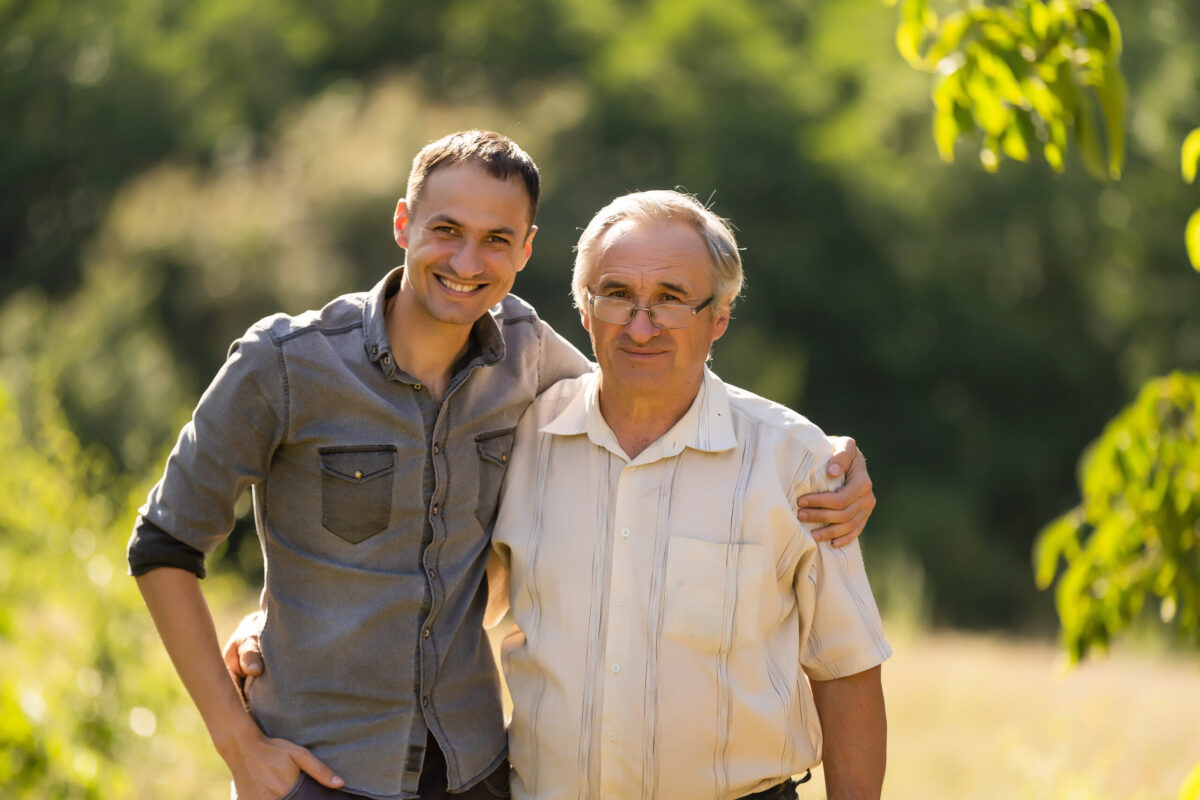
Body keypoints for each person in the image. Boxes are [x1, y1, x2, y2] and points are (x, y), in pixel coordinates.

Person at [131, 130, 876, 800]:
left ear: (525, 251)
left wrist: (830, 458)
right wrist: (243, 725)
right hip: (323, 773)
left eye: (496, 239)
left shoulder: (531, 364)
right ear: (403, 224)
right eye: (446, 230)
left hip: (472, 774)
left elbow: (645, 381)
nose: (466, 261)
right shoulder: (291, 364)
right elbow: (164, 545)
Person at [485, 190, 891, 800]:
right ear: (584, 309)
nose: (639, 326)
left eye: (670, 299)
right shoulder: (515, 438)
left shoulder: (796, 462)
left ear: (720, 315)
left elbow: (846, 670)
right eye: (617, 295)